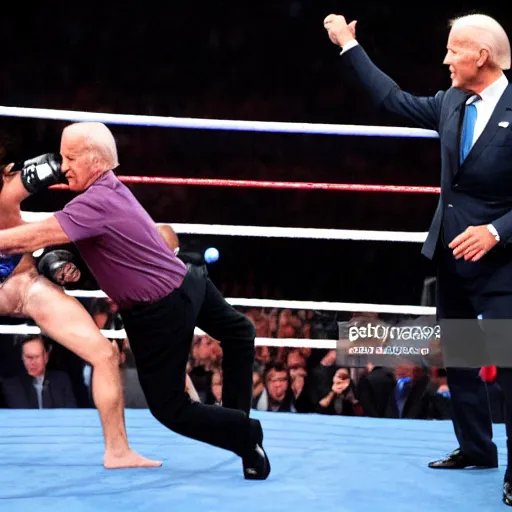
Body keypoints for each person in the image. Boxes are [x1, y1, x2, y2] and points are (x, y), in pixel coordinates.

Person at [0, 122, 270, 480]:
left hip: (161, 311)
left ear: (95, 161)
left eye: (70, 158)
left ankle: (245, 434)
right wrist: (66, 263)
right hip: (189, 277)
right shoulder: (111, 188)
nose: (63, 167)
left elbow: (20, 240)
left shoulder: (90, 206)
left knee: (171, 409)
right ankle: (240, 434)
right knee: (239, 332)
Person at [324, 12, 512, 504]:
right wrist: (348, 45)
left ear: (482, 57)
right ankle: (476, 449)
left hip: (502, 263)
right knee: (464, 360)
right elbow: (393, 100)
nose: (446, 59)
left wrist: (496, 231)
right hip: (453, 258)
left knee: (507, 364)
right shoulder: (452, 101)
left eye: (454, 50)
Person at [0, 156, 160, 468]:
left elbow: (54, 167)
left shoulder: (7, 189)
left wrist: (70, 161)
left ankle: (117, 451)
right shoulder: (7, 189)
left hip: (24, 284)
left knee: (103, 353)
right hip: (21, 282)